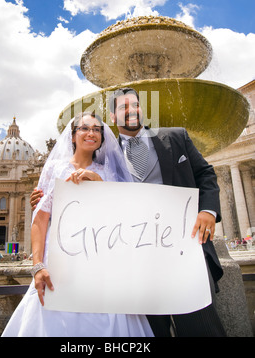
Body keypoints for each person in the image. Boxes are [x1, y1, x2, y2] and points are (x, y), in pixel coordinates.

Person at [30, 88, 226, 336]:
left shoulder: (176, 137)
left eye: (135, 105)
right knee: (153, 332)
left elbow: (205, 174)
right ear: (112, 117)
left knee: (201, 327)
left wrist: (208, 210)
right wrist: (46, 197)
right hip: (133, 259)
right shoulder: (104, 156)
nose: (131, 110)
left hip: (183, 248)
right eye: (123, 107)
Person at [2, 111, 153, 337]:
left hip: (101, 259)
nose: (91, 133)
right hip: (58, 257)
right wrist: (37, 265)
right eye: (84, 128)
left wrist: (99, 183)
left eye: (96, 129)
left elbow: (123, 216)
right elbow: (40, 219)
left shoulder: (109, 172)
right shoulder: (54, 168)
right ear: (72, 136)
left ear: (102, 137)